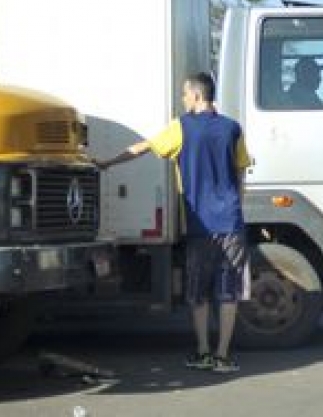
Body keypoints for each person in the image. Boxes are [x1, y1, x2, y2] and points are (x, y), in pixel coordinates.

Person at [95, 72, 251, 373]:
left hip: (199, 224)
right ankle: (223, 357)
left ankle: (203, 352)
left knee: (199, 293)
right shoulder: (233, 129)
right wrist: (236, 206)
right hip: (231, 222)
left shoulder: (182, 128)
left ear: (195, 96)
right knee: (228, 292)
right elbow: (242, 171)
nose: (182, 99)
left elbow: (142, 148)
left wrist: (106, 163)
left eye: (184, 94)